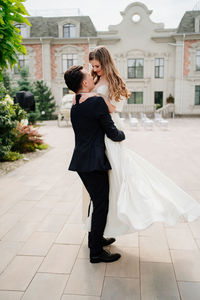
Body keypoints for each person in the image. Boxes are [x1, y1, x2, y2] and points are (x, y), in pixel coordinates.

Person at [80, 46, 200, 237]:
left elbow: (114, 107)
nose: (96, 69)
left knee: (117, 177)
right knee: (102, 184)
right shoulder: (94, 79)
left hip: (109, 127)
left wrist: (94, 97)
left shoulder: (114, 81)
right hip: (96, 131)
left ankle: (124, 219)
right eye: (93, 66)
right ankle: (100, 230)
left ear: (106, 62)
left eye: (98, 65)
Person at [64, 65, 125, 263]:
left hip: (81, 161)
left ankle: (95, 239)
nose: (91, 78)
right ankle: (96, 252)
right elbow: (111, 132)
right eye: (88, 77)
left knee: (96, 201)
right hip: (94, 162)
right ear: (84, 83)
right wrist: (123, 134)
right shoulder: (96, 102)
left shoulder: (76, 102)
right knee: (101, 204)